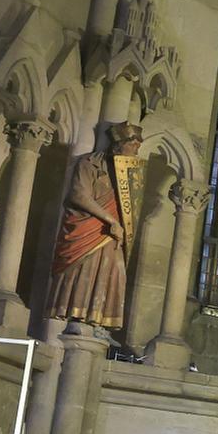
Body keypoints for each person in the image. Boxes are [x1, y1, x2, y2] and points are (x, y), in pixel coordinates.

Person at [49, 123, 144, 332]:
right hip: (89, 229)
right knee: (86, 269)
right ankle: (77, 319)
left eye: (138, 147)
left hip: (113, 237)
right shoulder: (88, 163)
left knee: (115, 271)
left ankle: (97, 321)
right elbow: (78, 194)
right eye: (133, 145)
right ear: (119, 144)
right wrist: (111, 221)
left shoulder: (130, 176)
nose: (136, 151)